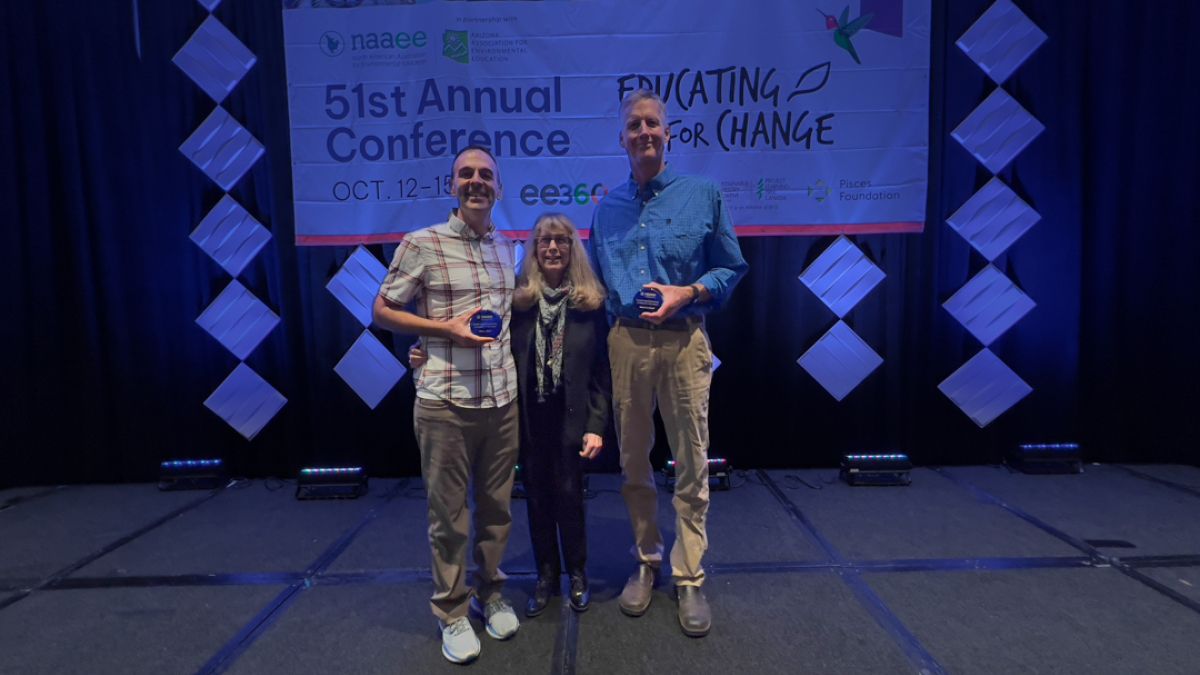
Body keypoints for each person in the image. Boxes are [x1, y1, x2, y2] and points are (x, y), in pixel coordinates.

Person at [588, 89, 748, 637]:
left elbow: (732, 268)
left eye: (652, 123)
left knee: (691, 459)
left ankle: (688, 575)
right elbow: (598, 287)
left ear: (668, 132)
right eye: (634, 125)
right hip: (627, 342)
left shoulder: (703, 194)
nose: (644, 132)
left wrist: (690, 292)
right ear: (622, 139)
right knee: (633, 461)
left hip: (685, 341)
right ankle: (647, 560)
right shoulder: (606, 209)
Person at [412, 213, 611, 618]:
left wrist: (596, 426)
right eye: (544, 241)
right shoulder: (516, 304)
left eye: (561, 240)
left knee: (571, 499)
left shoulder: (590, 305)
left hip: (572, 418)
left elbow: (601, 374)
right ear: (534, 251)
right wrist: (424, 349)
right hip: (527, 419)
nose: (552, 248)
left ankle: (577, 573)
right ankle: (545, 576)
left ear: (573, 249)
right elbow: (477, 340)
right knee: (536, 501)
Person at [373, 145, 521, 664]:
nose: (476, 181)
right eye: (466, 174)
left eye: (486, 175)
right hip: (445, 403)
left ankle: (491, 593)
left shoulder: (509, 248)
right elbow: (383, 308)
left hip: (502, 401)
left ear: (498, 188)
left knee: (498, 510)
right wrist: (439, 331)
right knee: (449, 516)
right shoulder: (423, 243)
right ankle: (453, 613)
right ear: (452, 185)